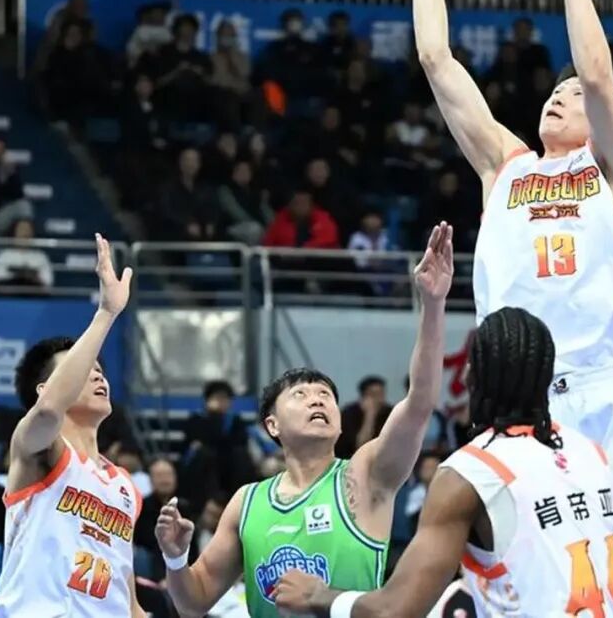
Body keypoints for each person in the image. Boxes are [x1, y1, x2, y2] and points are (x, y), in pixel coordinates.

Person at [405, 0, 613, 608]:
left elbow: (600, 73)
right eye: (557, 89)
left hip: (598, 392)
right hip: (515, 400)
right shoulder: (505, 166)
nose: (561, 94)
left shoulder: (610, 171)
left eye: (573, 96)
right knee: (526, 582)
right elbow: (437, 59)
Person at [269, 307, 613, 616]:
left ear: (475, 377)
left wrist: (318, 595)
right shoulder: (587, 451)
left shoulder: (472, 472)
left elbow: (394, 610)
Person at [155, 224, 455, 618]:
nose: (317, 399)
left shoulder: (364, 476)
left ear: (339, 423)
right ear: (272, 425)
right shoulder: (247, 502)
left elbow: (419, 403)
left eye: (326, 395)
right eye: (300, 394)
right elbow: (193, 602)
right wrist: (176, 559)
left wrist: (433, 304)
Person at [0, 234, 147, 618]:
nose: (97, 375)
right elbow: (47, 412)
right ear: (46, 388)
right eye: (84, 368)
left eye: (99, 369)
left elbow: (129, 601)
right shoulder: (37, 447)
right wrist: (106, 313)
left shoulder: (125, 487)